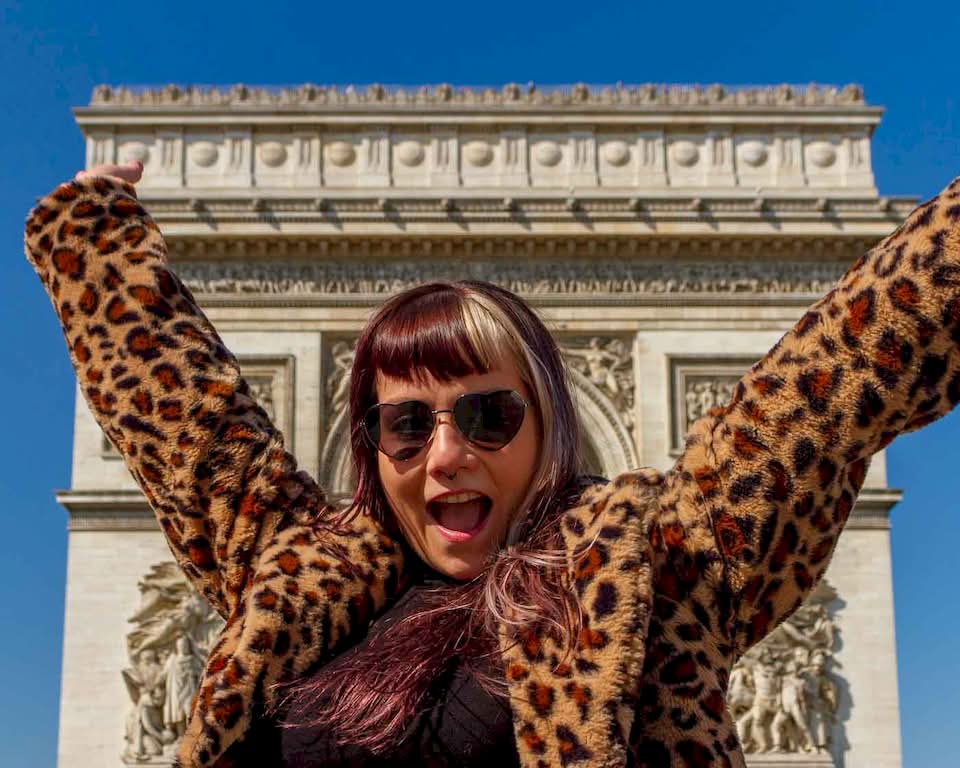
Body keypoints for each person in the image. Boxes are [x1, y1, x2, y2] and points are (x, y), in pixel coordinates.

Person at [24, 160, 960, 768]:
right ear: (372, 446)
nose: (446, 455)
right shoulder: (301, 576)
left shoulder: (649, 570)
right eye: (405, 425)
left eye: (489, 415)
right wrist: (94, 244)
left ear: (549, 424)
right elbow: (192, 431)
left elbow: (832, 382)